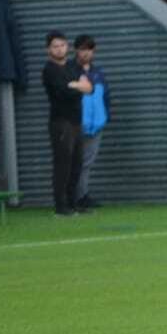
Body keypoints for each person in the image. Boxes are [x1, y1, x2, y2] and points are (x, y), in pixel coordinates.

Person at [42, 31, 92, 216]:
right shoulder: (49, 70)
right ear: (48, 49)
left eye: (62, 45)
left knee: (76, 163)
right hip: (61, 123)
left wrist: (75, 85)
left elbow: (88, 87)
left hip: (77, 121)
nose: (60, 49)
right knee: (62, 164)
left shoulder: (73, 67)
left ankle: (73, 202)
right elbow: (62, 92)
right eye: (55, 46)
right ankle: (60, 206)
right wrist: (75, 86)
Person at [73, 35, 109, 212]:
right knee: (76, 161)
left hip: (97, 124)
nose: (85, 53)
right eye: (82, 49)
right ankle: (75, 196)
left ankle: (83, 194)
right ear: (76, 50)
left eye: (89, 49)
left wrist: (105, 117)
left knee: (87, 162)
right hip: (77, 123)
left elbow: (105, 97)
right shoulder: (71, 70)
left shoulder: (98, 73)